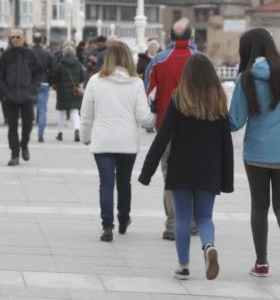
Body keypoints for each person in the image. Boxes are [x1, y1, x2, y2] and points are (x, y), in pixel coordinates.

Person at [139, 54, 233, 280]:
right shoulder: (219, 99)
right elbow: (226, 143)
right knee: (204, 217)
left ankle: (183, 265)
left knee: (182, 217)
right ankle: (208, 245)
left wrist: (147, 171)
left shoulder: (178, 98)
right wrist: (227, 178)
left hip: (180, 165)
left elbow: (163, 137)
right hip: (209, 167)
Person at [229, 28, 280, 279]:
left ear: (247, 50)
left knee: (259, 206)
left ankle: (262, 263)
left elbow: (235, 120)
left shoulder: (245, 78)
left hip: (256, 152)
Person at [80, 42, 154, 242]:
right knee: (124, 183)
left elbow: (86, 114)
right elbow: (144, 117)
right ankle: (123, 218)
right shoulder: (136, 83)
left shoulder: (95, 81)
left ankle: (107, 226)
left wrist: (85, 137)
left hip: (103, 141)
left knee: (106, 183)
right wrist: (155, 113)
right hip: (127, 142)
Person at [145, 18, 200, 240]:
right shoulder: (200, 61)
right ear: (192, 37)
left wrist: (157, 110)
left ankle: (173, 224)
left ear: (170, 37)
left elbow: (148, 93)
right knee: (195, 175)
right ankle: (194, 222)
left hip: (166, 128)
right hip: (197, 128)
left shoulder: (158, 61)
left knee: (170, 175)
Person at [0, 29, 41, 166]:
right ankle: (14, 154)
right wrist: (5, 92)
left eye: (18, 36)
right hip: (11, 98)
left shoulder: (30, 54)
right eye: (13, 37)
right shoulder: (6, 56)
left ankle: (24, 144)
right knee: (12, 128)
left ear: (24, 38)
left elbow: (38, 74)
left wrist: (32, 90)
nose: (15, 39)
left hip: (27, 97)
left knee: (28, 125)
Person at [52, 42, 85, 142]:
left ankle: (60, 133)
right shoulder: (78, 64)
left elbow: (55, 79)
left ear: (64, 53)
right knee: (75, 112)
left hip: (62, 92)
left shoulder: (60, 65)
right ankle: (77, 131)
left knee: (62, 113)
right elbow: (81, 78)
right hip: (74, 92)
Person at [31, 32, 54, 142]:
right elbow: (53, 70)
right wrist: (50, 82)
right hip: (44, 82)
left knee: (28, 108)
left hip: (30, 83)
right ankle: (41, 134)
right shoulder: (47, 53)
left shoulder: (29, 53)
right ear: (42, 41)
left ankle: (27, 132)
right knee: (42, 109)